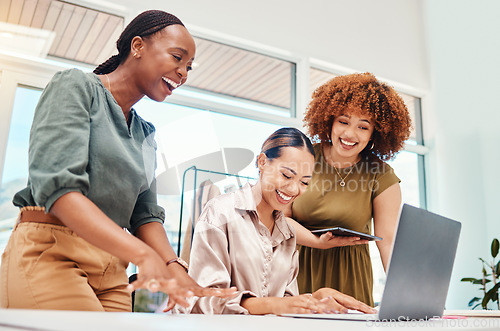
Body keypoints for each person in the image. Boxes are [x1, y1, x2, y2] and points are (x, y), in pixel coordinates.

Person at [0, 10, 235, 311]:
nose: (183, 73)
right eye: (177, 58)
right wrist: (143, 255)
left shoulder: (145, 133)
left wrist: (176, 268)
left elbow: (145, 215)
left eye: (189, 66)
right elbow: (59, 191)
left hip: (113, 269)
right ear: (137, 46)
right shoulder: (76, 88)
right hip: (53, 252)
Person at [181, 128, 376, 315]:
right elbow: (200, 300)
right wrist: (269, 304)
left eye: (304, 182)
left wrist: (315, 298)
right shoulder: (220, 214)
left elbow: (286, 304)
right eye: (286, 175)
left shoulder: (288, 233)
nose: (293, 189)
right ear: (262, 162)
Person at [286, 72, 412, 306]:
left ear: (376, 133)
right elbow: (278, 219)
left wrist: (405, 296)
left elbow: (389, 240)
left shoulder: (381, 175)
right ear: (329, 121)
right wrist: (317, 242)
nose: (350, 134)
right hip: (296, 272)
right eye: (343, 122)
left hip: (351, 278)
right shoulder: (302, 157)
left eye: (363, 127)